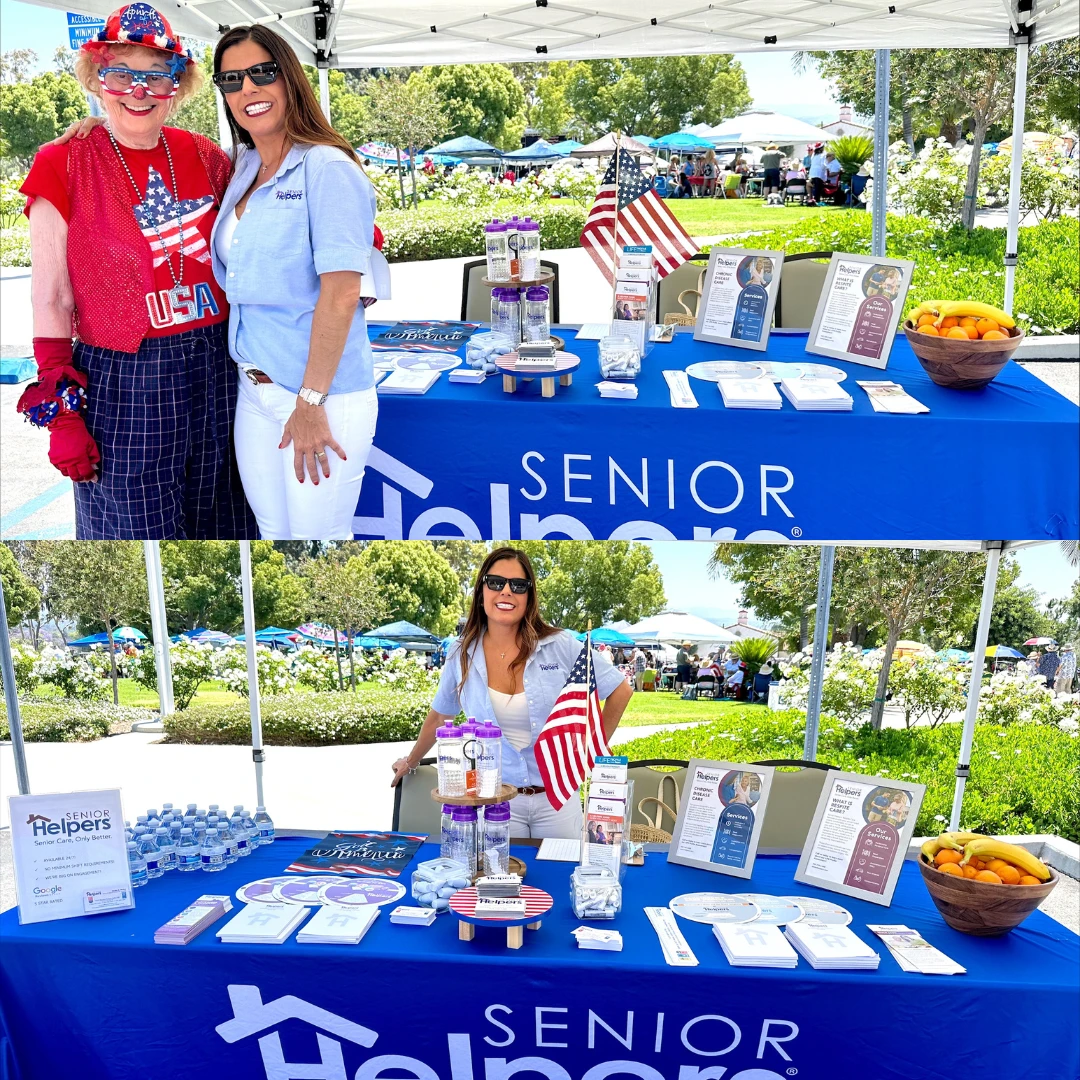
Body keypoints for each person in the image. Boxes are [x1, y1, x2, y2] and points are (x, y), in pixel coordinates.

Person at [16, 3, 253, 539]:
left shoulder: (206, 154)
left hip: (220, 366)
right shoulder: (64, 161)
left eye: (157, 76)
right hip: (125, 382)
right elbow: (51, 297)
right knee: (138, 533)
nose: (137, 91)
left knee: (227, 525)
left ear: (180, 84)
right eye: (120, 73)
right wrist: (63, 415)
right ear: (97, 78)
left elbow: (266, 217)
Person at [209, 25, 386, 540]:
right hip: (255, 390)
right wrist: (91, 129)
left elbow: (341, 291)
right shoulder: (244, 167)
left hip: (319, 397)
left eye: (263, 73)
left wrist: (310, 402)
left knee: (319, 541)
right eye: (233, 79)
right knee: (274, 534)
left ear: (289, 78)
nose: (249, 90)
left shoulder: (327, 168)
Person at [390, 547, 632, 839]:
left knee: (558, 880)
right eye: (495, 583)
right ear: (481, 591)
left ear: (529, 596)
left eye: (518, 586)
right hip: (496, 800)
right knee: (498, 881)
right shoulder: (461, 653)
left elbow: (620, 690)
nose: (506, 592)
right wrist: (411, 760)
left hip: (557, 799)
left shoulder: (561, 644)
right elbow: (441, 715)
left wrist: (586, 753)